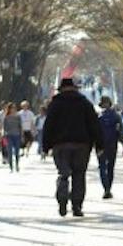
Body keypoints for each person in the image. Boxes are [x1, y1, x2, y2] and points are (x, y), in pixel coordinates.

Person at [41, 77, 98, 217]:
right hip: (82, 145)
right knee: (79, 175)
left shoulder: (55, 104)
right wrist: (99, 144)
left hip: (61, 145)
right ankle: (77, 205)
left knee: (63, 173)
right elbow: (94, 124)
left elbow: (48, 125)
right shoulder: (85, 103)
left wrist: (46, 145)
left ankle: (62, 200)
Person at [95, 95, 122, 199]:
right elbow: (119, 131)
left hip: (100, 145)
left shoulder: (98, 117)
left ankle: (106, 188)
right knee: (110, 167)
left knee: (102, 166)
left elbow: (95, 132)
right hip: (112, 144)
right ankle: (108, 188)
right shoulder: (116, 116)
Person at [1, 103, 24, 171]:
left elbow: (20, 126)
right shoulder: (6, 117)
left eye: (14, 108)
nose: (13, 109)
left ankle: (17, 164)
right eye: (12, 108)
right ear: (9, 109)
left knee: (17, 151)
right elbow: (4, 127)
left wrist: (22, 135)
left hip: (17, 135)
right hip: (9, 135)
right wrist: (3, 135)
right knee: (10, 151)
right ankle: (11, 166)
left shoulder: (18, 116)